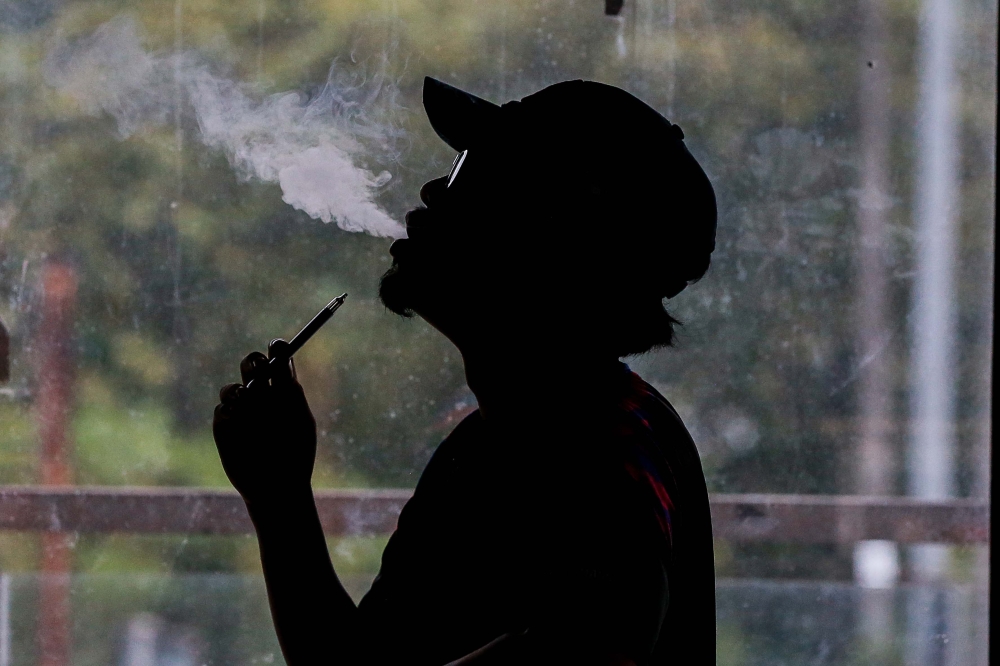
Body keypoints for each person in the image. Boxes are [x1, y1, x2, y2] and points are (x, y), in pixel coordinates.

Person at [213, 76, 718, 665]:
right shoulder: (503, 441)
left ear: (553, 235)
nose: (434, 189)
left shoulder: (597, 459)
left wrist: (280, 501)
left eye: (474, 174)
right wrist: (279, 497)